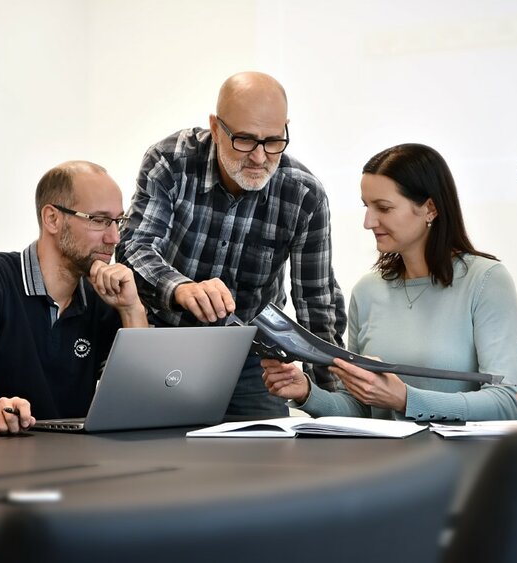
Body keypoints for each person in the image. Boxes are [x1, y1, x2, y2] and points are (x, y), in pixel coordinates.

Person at [117, 71, 346, 417]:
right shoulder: (171, 162)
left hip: (252, 359)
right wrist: (180, 289)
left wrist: (335, 406)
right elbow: (133, 248)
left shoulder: (303, 194)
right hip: (165, 345)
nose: (259, 157)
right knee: (155, 456)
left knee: (263, 462)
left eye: (273, 141)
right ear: (215, 126)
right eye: (244, 140)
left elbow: (317, 302)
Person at [262, 143, 517, 422]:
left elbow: (505, 402)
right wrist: (306, 392)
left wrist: (405, 399)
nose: (368, 221)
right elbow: (360, 409)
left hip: (459, 460)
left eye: (383, 208)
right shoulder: (367, 291)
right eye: (367, 206)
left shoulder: (486, 281)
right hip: (382, 458)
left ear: (430, 208)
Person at [0, 161, 148, 436]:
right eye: (99, 220)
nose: (115, 237)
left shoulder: (100, 299)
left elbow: (138, 400)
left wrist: (131, 309)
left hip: (61, 463)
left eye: (118, 221)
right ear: (52, 218)